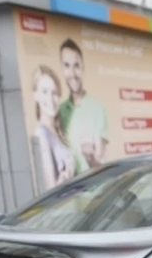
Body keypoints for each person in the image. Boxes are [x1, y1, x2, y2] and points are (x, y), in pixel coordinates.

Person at [57, 39, 108, 172]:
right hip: (69, 190)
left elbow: (100, 167)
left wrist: (90, 158)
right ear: (62, 69)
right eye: (67, 66)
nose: (72, 73)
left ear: (83, 68)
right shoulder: (59, 111)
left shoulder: (97, 109)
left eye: (77, 66)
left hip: (92, 190)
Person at [31, 66, 75, 189]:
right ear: (36, 96)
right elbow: (51, 190)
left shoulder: (58, 130)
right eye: (44, 92)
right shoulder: (42, 133)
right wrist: (67, 175)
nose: (50, 99)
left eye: (54, 93)